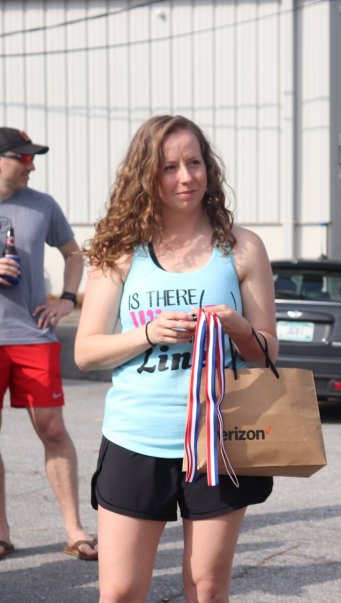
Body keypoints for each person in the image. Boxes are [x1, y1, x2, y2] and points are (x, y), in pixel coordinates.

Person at [74, 115, 277, 601]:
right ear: (147, 175)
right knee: (121, 591)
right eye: (169, 167)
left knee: (207, 589)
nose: (185, 177)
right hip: (136, 437)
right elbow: (85, 351)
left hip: (219, 441)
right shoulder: (121, 251)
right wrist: (148, 333)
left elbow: (268, 351)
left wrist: (238, 327)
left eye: (194, 162)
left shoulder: (243, 247)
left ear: (209, 167)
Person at [0, 127, 97, 562]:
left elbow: (74, 254)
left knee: (53, 430)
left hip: (32, 336)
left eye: (32, 158)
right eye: (23, 158)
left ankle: (75, 530)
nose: (32, 166)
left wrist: (67, 299)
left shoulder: (43, 204)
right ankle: (1, 532)